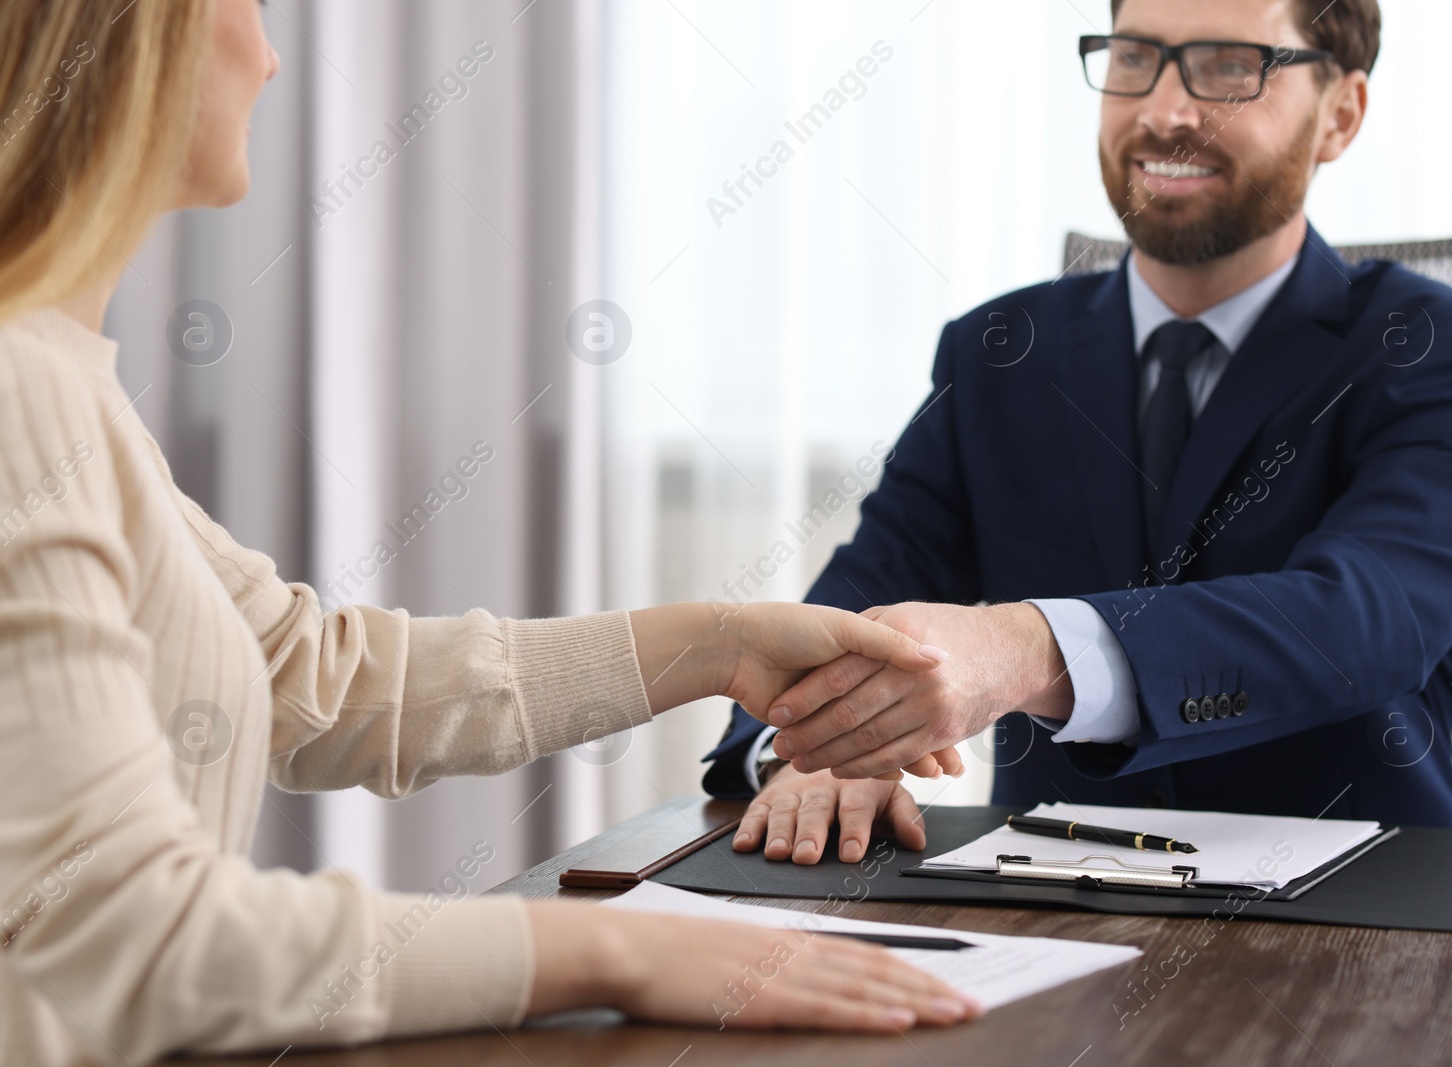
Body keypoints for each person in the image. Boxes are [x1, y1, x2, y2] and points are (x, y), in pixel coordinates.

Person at [0, 3, 986, 1063]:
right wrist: (608, 950)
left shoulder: (58, 378)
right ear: (135, 39)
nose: (271, 55)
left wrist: (725, 643)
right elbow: (129, 934)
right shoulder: (21, 391)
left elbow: (305, 673)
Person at [720, 0, 1452, 864]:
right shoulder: (1000, 353)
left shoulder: (1444, 353)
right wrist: (808, 746)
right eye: (1134, 57)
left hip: (1368, 911)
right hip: (1047, 909)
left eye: (1230, 65)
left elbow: (1365, 618)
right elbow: (866, 590)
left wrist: (1026, 649)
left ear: (1340, 114)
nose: (1163, 110)